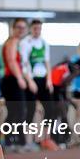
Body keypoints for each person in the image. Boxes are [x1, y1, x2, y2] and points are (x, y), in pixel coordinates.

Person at [0, 18, 37, 151]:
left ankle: (13, 141)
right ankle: (13, 142)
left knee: (16, 112)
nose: (21, 30)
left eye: (23, 28)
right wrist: (20, 78)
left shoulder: (21, 43)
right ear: (13, 29)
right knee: (18, 112)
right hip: (11, 80)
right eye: (18, 27)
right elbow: (11, 61)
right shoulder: (12, 42)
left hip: (14, 79)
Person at [20, 19, 58, 151]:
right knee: (30, 111)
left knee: (50, 109)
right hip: (31, 79)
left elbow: (47, 62)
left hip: (43, 80)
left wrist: (49, 80)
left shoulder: (44, 43)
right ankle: (28, 142)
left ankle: (46, 139)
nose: (37, 31)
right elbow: (24, 63)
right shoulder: (25, 43)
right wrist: (29, 81)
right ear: (31, 29)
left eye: (39, 29)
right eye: (35, 29)